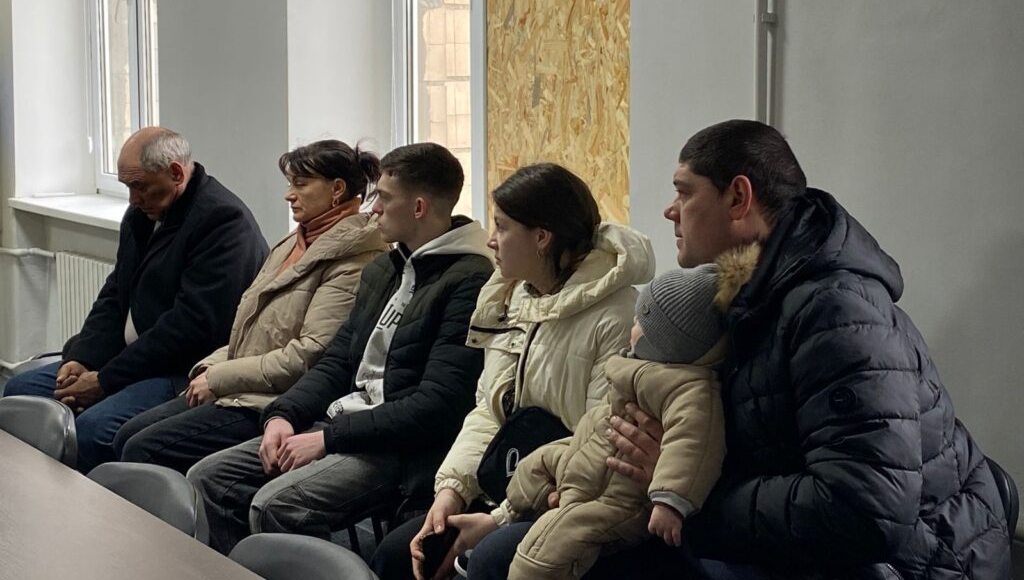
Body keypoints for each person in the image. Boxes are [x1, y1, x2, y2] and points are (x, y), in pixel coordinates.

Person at [599, 120, 1012, 579]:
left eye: (684, 192)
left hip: (919, 565)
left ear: (738, 198)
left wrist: (689, 489)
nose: (670, 211)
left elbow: (864, 510)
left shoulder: (835, 310)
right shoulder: (754, 293)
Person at [186, 142, 495, 555]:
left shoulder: (470, 281)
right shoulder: (385, 269)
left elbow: (436, 405)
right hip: (345, 423)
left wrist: (328, 439)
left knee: (278, 505)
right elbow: (336, 361)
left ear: (418, 207)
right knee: (211, 477)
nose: (373, 209)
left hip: (400, 447)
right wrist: (283, 415)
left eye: (383, 198)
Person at [368, 162, 656, 580]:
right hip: (504, 479)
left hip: (566, 499)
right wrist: (451, 491)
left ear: (542, 237)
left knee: (486, 559)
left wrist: (498, 519)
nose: (490, 240)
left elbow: (596, 452)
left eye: (502, 227)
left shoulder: (616, 316)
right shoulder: (512, 298)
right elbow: (490, 410)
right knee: (399, 554)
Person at [112, 140, 388, 473]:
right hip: (238, 386)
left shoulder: (355, 261)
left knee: (142, 448)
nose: (289, 195)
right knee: (125, 436)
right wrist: (210, 367)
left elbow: (309, 356)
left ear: (337, 189)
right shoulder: (293, 242)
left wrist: (219, 377)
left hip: (270, 401)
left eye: (300, 184)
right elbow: (248, 330)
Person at [3, 127, 268, 473]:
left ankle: (85, 505)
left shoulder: (223, 223)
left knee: (93, 430)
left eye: (139, 186)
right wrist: (83, 358)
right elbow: (115, 293)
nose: (132, 198)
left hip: (181, 369)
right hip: (130, 359)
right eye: (127, 186)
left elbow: (188, 331)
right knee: (21, 391)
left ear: (176, 173)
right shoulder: (143, 215)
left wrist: (105, 381)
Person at [500, 245, 759, 580]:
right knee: (534, 463)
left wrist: (669, 501)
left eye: (639, 321)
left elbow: (694, 445)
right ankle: (509, 511)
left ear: (662, 341)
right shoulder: (636, 366)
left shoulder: (690, 389)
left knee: (558, 538)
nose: (631, 326)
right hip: (594, 456)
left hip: (617, 498)